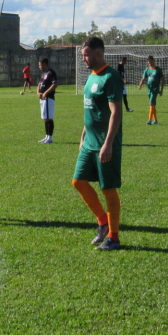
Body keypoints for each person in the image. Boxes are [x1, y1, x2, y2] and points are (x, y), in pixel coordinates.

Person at [73, 37, 124, 250]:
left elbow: (116, 112)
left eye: (86, 55)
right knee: (78, 182)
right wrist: (83, 135)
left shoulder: (111, 77)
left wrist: (108, 144)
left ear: (97, 54)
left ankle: (113, 237)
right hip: (89, 143)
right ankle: (102, 222)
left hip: (104, 143)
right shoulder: (90, 78)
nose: (83, 59)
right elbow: (90, 109)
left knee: (108, 189)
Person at [137, 55, 164, 125]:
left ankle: (149, 120)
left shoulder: (158, 69)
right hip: (149, 89)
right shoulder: (147, 70)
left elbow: (163, 80)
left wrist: (161, 90)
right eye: (148, 61)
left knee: (151, 103)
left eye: (150, 60)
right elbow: (143, 78)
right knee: (153, 105)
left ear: (153, 60)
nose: (149, 62)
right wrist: (140, 85)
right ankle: (155, 120)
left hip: (155, 89)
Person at [37, 58, 57, 143]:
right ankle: (46, 136)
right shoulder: (43, 74)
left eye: (40, 65)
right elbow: (39, 84)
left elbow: (55, 84)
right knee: (45, 118)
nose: (39, 67)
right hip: (42, 99)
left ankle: (50, 137)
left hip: (48, 98)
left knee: (49, 118)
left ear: (45, 64)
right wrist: (38, 92)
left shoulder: (51, 73)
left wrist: (45, 92)